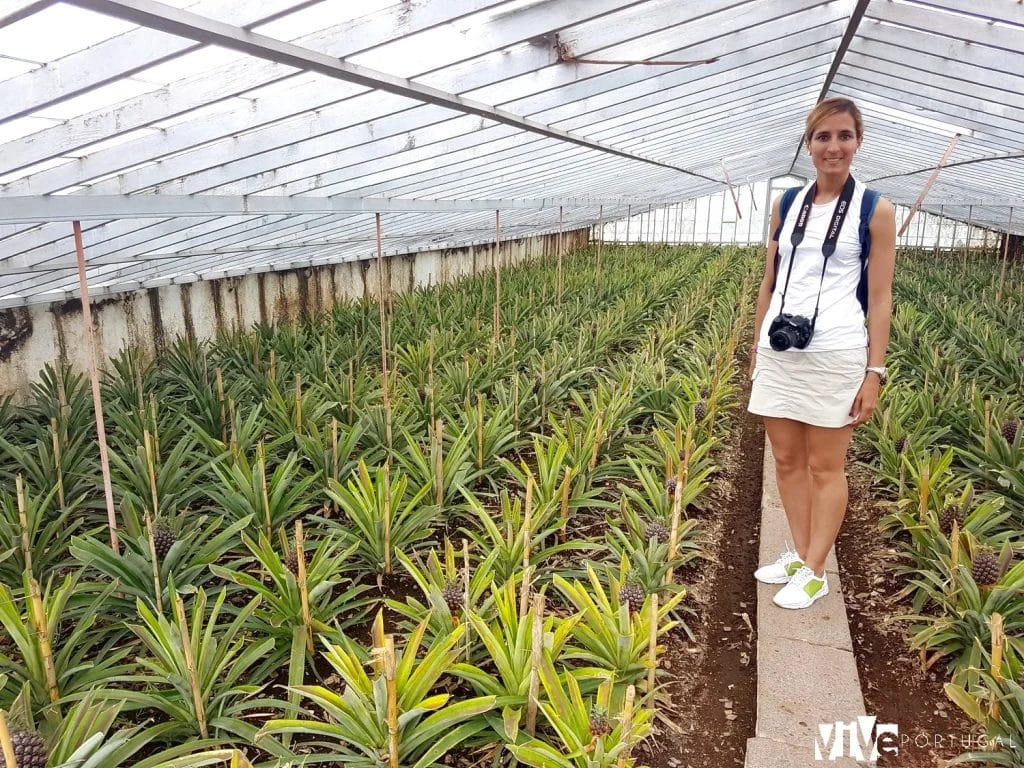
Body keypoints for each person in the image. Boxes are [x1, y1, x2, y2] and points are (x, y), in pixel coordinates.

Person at [747, 97, 896, 610]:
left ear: (858, 142)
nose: (833, 146)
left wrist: (874, 371)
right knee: (786, 460)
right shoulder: (787, 204)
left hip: (836, 352)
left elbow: (880, 298)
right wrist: (757, 344)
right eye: (823, 137)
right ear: (808, 144)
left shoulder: (875, 209)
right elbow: (769, 281)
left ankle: (815, 571)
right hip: (781, 349)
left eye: (844, 136)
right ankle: (801, 552)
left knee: (825, 467)